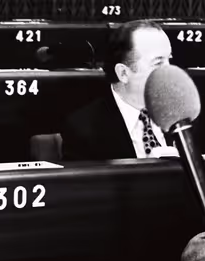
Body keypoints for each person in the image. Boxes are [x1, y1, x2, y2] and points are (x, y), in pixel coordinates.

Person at [61, 20, 173, 161]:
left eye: (170, 59)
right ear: (123, 73)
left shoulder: (185, 117)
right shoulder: (84, 130)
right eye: (158, 63)